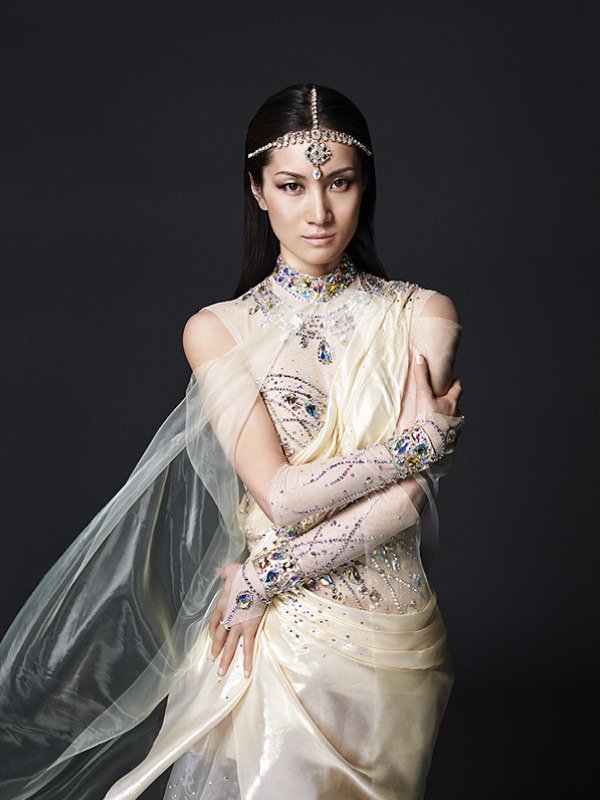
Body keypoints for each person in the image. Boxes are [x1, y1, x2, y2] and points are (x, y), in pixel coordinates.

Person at [0, 84, 463, 800]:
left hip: (396, 636)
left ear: (364, 185)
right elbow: (281, 497)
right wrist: (419, 443)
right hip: (279, 637)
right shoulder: (218, 329)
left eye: (339, 182)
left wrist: (262, 575)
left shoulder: (422, 314)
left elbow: (407, 504)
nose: (318, 211)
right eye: (292, 185)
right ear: (257, 191)